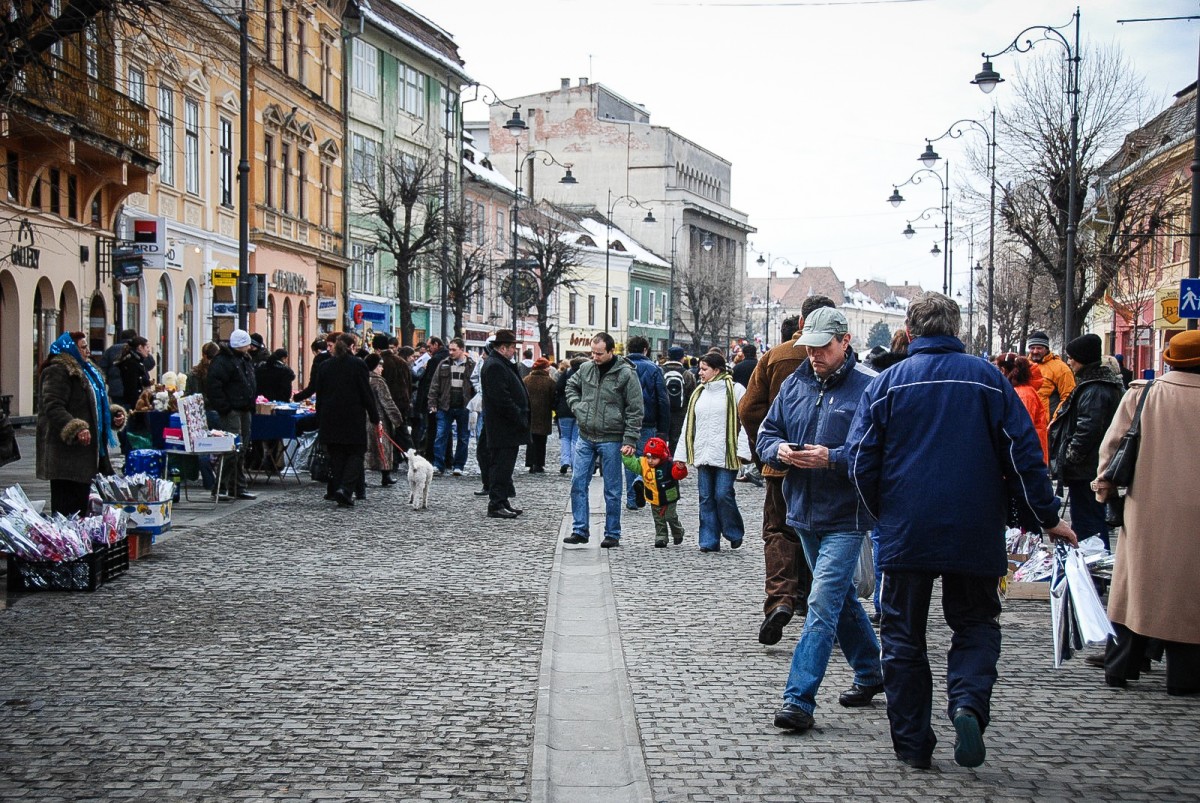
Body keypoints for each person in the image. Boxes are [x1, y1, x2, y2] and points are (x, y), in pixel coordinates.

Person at [847, 292, 1077, 770]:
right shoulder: (990, 381)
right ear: (957, 333)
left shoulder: (887, 384)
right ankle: (967, 704)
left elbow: (859, 461)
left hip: (906, 530)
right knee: (975, 623)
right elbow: (1024, 457)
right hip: (975, 527)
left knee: (902, 635)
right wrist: (1048, 516)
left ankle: (912, 744)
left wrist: (880, 514)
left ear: (910, 333)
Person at [755, 306, 883, 734]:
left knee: (822, 604)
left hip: (847, 515)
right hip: (802, 512)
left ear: (845, 341)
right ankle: (871, 670)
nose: (813, 355)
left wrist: (833, 458)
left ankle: (798, 699)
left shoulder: (868, 387)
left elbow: (880, 453)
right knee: (841, 599)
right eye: (809, 347)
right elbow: (766, 434)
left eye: (823, 347)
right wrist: (780, 452)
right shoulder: (794, 383)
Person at [1093, 330, 1200, 695]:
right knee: (1190, 594)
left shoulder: (1145, 393)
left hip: (1148, 508)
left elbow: (1113, 445)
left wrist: (1103, 487)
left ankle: (1120, 668)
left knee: (1136, 590)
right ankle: (1185, 678)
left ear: (1169, 358)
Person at [739, 298, 835, 645]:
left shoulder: (777, 356)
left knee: (779, 531)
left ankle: (780, 600)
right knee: (823, 534)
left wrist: (763, 449)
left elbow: (748, 408)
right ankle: (818, 604)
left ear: (800, 320)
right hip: (826, 465)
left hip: (781, 463)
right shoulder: (839, 360)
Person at [563, 333, 644, 548]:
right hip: (586, 435)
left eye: (599, 353)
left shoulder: (625, 373)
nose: (595, 357)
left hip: (612, 437)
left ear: (611, 351)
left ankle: (612, 533)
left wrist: (630, 440)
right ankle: (580, 529)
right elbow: (570, 386)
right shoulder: (586, 369)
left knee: (612, 489)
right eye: (593, 352)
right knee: (578, 482)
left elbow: (635, 409)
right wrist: (578, 408)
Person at [36, 332, 125, 516]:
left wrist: (113, 413)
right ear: (70, 348)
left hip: (89, 453)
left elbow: (94, 404)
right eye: (83, 347)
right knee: (67, 509)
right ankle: (67, 542)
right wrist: (76, 427)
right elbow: (53, 406)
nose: (88, 351)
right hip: (67, 455)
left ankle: (83, 541)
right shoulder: (58, 370)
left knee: (84, 507)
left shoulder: (88, 370)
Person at [1048, 333, 1123, 551]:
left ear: (1082, 358)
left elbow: (1087, 430)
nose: (1069, 362)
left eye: (1071, 358)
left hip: (1087, 469)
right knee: (1089, 521)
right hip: (1091, 467)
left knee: (1089, 523)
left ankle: (1092, 577)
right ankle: (1091, 574)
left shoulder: (1094, 389)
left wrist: (1071, 458)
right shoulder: (1098, 385)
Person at [674, 352, 750, 553]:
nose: (700, 372)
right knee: (706, 498)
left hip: (727, 453)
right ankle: (708, 540)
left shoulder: (736, 390)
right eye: (700, 368)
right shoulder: (699, 392)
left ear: (717, 370)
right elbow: (689, 425)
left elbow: (746, 422)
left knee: (723, 494)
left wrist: (743, 450)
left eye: (704, 369)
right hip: (703, 453)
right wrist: (681, 456)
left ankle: (733, 531)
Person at [313, 333, 378, 507]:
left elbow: (319, 395)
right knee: (356, 453)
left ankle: (339, 489)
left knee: (337, 455)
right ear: (351, 347)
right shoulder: (358, 365)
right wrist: (374, 416)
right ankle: (346, 489)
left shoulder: (325, 366)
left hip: (330, 417)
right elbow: (366, 392)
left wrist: (319, 417)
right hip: (352, 416)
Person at [479, 330, 530, 519]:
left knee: (505, 465)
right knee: (501, 465)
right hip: (503, 426)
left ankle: (503, 500)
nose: (514, 351)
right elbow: (502, 398)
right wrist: (518, 415)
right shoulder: (495, 366)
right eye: (512, 348)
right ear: (503, 348)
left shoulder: (500, 364)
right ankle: (496, 503)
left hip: (507, 426)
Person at [204, 329, 259, 501]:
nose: (250, 347)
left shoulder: (243, 359)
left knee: (241, 449)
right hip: (232, 409)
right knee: (231, 448)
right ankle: (220, 487)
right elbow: (214, 386)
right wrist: (224, 407)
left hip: (244, 408)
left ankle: (237, 487)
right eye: (247, 344)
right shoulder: (224, 361)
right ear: (242, 345)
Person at [623, 335, 670, 510]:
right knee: (647, 457)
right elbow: (663, 401)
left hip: (626, 422)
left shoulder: (621, 367)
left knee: (629, 458)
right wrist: (664, 429)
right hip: (648, 421)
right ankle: (640, 481)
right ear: (645, 350)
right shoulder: (654, 369)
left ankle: (631, 499)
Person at [621, 436, 687, 547]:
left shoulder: (669, 464)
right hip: (654, 496)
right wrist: (627, 456)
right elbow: (633, 465)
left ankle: (678, 531)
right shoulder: (644, 464)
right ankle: (661, 537)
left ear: (661, 457)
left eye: (654, 458)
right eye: (648, 457)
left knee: (670, 516)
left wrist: (680, 469)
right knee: (658, 519)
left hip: (669, 496)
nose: (650, 461)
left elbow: (678, 475)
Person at [427, 337, 476, 476]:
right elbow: (435, 385)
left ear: (462, 350)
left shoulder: (471, 365)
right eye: (449, 349)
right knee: (441, 435)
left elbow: (475, 385)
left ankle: (458, 465)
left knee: (463, 437)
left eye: (454, 349)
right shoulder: (444, 364)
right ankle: (438, 464)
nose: (451, 352)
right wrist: (432, 403)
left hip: (464, 406)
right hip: (445, 405)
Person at [994, 352, 1048, 464]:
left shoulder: (1022, 394)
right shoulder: (1022, 391)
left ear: (1003, 370)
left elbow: (1021, 430)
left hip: (1029, 458)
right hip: (1030, 455)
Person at [363, 353, 404, 488]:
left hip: (363, 418)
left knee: (366, 448)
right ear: (374, 366)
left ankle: (361, 478)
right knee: (383, 447)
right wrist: (397, 419)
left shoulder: (362, 379)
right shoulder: (378, 382)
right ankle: (386, 476)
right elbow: (387, 402)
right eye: (380, 365)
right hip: (378, 419)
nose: (382, 369)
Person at [373, 333, 412, 452]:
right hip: (402, 402)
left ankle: (394, 460)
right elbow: (409, 383)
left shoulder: (380, 363)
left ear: (378, 349)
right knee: (402, 432)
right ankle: (413, 457)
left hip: (387, 402)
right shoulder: (401, 361)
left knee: (388, 433)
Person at [1026, 330, 1075, 420]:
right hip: (1026, 422)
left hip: (1047, 425)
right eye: (1032, 348)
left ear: (1047, 348)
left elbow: (1068, 397)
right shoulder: (1023, 366)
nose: (1035, 351)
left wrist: (1055, 420)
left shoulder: (1061, 368)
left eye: (1039, 348)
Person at [415, 336, 448, 460]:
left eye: (429, 347)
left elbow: (430, 382)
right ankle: (445, 457)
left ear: (436, 344)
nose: (429, 350)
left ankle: (431, 455)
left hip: (434, 400)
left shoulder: (436, 360)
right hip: (443, 399)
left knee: (433, 428)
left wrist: (428, 400)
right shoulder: (445, 357)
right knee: (443, 430)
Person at [661, 346, 697, 454]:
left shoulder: (660, 371)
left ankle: (661, 465)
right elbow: (692, 396)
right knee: (676, 441)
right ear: (682, 358)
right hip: (680, 413)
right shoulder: (687, 374)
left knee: (660, 440)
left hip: (662, 412)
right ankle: (674, 466)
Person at [523, 357, 556, 473]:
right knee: (541, 441)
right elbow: (554, 398)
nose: (549, 369)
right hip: (543, 414)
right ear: (544, 368)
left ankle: (530, 463)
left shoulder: (526, 380)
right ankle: (539, 463)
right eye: (548, 367)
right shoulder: (550, 382)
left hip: (530, 414)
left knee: (531, 440)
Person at [554, 357, 585, 475]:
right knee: (575, 439)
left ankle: (564, 461)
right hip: (578, 410)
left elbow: (558, 388)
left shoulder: (566, 373)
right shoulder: (585, 373)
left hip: (564, 410)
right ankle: (574, 463)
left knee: (565, 438)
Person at [115, 335, 152, 409]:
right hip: (133, 405)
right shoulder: (131, 363)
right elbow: (132, 388)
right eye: (147, 347)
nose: (149, 350)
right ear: (140, 348)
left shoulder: (138, 361)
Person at [292, 337, 331, 402]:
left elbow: (313, 385)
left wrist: (297, 397)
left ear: (318, 351)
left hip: (324, 399)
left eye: (314, 353)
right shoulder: (335, 357)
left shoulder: (319, 359)